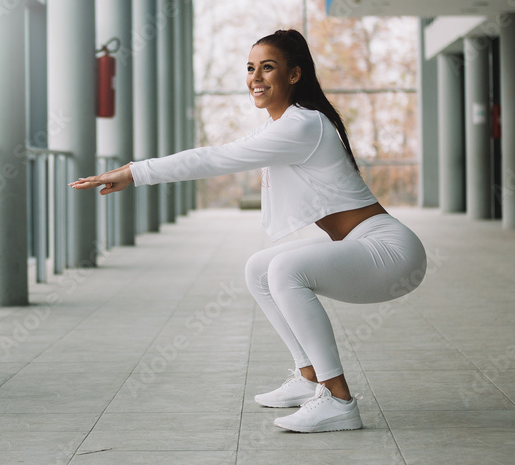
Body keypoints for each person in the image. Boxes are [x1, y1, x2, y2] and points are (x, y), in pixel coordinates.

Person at [69, 29, 427, 433]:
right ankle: (308, 375)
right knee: (259, 267)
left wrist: (134, 172)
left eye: (268, 67)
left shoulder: (304, 125)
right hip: (367, 244)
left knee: (285, 270)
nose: (255, 77)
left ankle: (339, 399)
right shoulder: (283, 124)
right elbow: (221, 152)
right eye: (251, 68)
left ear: (294, 75)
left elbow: (215, 158)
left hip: (391, 252)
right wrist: (135, 172)